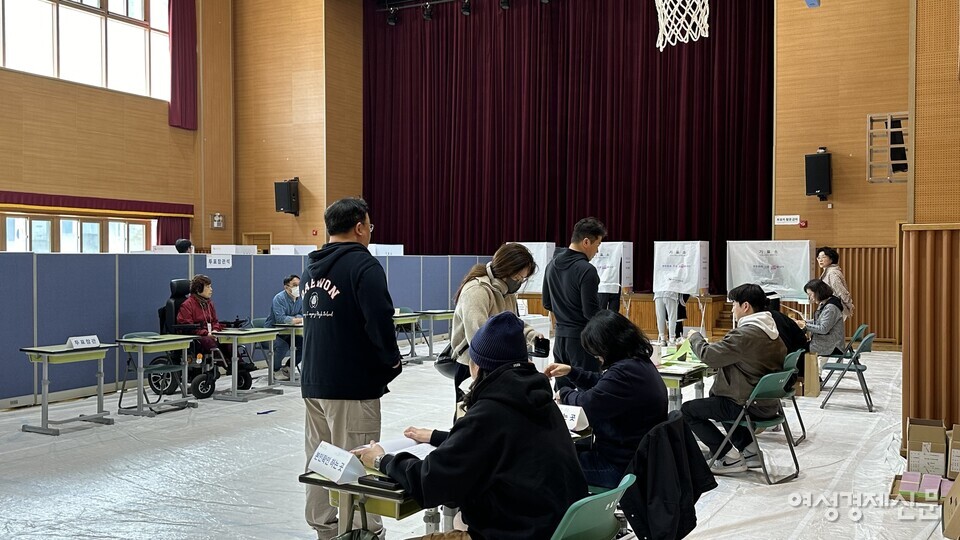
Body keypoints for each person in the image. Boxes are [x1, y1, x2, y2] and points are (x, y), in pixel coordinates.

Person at [354, 312, 587, 540]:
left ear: (477, 365)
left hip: (513, 531)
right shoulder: (539, 400)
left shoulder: (490, 413)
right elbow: (497, 444)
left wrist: (381, 459)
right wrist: (436, 436)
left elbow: (430, 481)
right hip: (552, 527)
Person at [300, 197, 402, 540]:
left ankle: (326, 529)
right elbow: (380, 319)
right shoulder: (363, 265)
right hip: (351, 383)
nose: (370, 233)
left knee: (321, 460)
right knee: (358, 460)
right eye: (369, 227)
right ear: (359, 227)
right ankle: (362, 532)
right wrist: (390, 361)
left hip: (314, 381)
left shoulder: (311, 265)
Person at [544, 310, 668, 488]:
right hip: (637, 458)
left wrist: (564, 393)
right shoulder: (638, 363)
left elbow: (587, 404)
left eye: (597, 352)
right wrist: (573, 373)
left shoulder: (624, 372)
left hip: (620, 467)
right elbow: (604, 386)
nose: (598, 358)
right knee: (563, 453)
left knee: (547, 464)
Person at [680, 283, 787, 475]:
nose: (732, 309)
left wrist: (695, 337)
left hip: (747, 403)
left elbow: (710, 356)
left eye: (734, 304)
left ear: (745, 306)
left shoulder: (746, 334)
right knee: (720, 399)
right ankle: (750, 450)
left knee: (688, 411)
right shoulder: (771, 331)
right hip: (766, 403)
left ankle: (728, 457)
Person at [449, 243, 542, 404]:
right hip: (473, 366)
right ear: (506, 270)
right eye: (517, 278)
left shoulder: (507, 291)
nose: (519, 282)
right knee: (470, 419)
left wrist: (532, 336)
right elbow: (479, 338)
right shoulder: (477, 290)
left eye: (522, 279)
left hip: (500, 366)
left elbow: (512, 323)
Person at [542, 217, 606, 386]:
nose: (597, 251)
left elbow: (547, 303)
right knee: (591, 391)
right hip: (583, 342)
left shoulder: (552, 265)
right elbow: (590, 313)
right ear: (586, 242)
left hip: (560, 340)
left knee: (563, 394)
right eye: (597, 245)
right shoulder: (587, 270)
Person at [176, 274, 237, 364]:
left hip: (210, 334)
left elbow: (215, 321)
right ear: (198, 289)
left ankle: (240, 365)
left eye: (210, 286)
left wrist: (215, 330)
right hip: (197, 337)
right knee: (208, 340)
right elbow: (188, 326)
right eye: (208, 287)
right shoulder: (187, 305)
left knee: (227, 339)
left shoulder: (209, 304)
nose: (211, 289)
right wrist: (206, 333)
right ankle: (225, 363)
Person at [264, 274, 303, 380]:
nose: (298, 288)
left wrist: (295, 318)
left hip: (288, 332)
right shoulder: (279, 298)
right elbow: (281, 319)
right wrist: (297, 319)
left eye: (300, 285)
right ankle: (275, 370)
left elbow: (302, 314)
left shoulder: (300, 298)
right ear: (286, 287)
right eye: (295, 285)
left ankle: (288, 367)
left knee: (304, 344)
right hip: (272, 332)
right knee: (283, 346)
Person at [796, 278, 845, 357]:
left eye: (810, 294)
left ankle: (804, 369)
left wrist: (805, 325)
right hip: (827, 342)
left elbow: (823, 329)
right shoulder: (826, 303)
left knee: (797, 349)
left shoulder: (831, 307)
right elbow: (819, 320)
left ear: (819, 293)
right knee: (799, 345)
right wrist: (804, 322)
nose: (810, 298)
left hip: (832, 346)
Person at [816, 246, 854, 320]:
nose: (820, 260)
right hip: (831, 307)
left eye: (823, 257)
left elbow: (842, 292)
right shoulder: (828, 272)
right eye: (818, 257)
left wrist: (849, 306)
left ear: (831, 259)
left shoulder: (832, 273)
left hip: (834, 307)